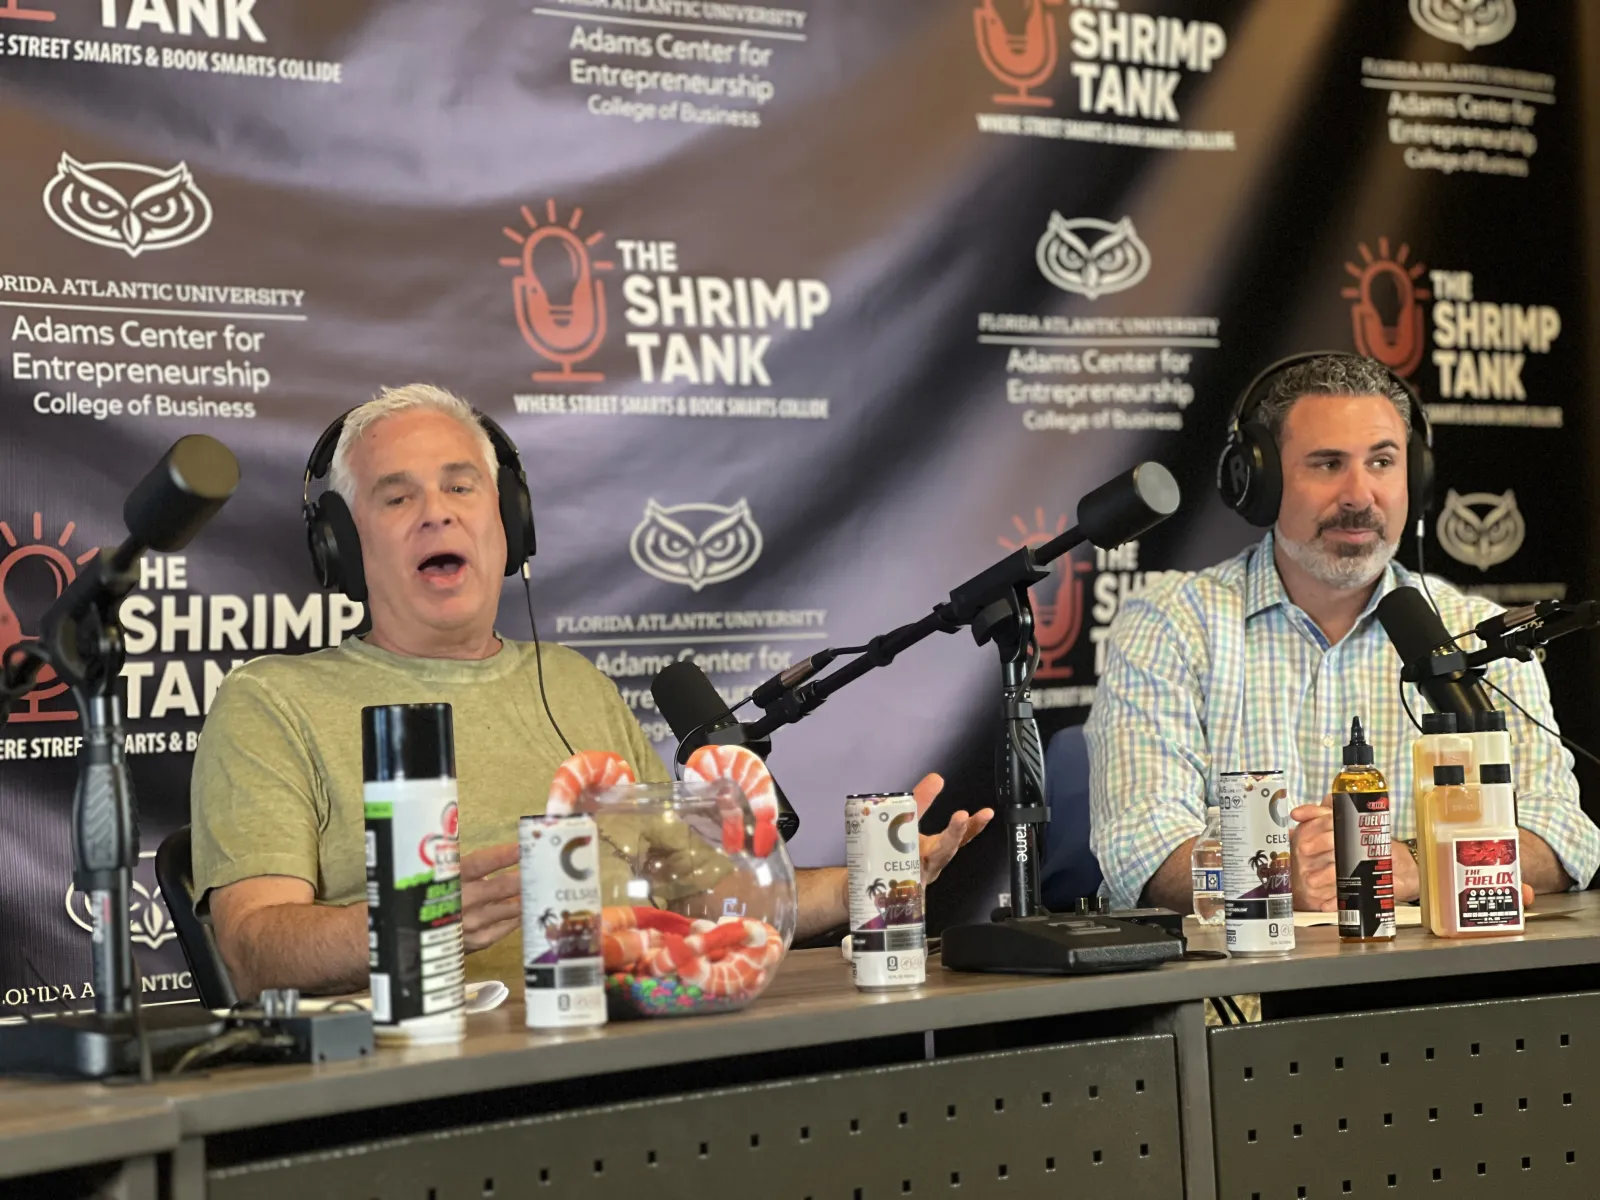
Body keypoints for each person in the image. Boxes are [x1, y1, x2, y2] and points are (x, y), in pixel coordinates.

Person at [191, 384, 992, 999]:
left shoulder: (573, 687)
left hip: (624, 1054)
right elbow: (251, 951)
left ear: (509, 522)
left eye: (463, 487)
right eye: (396, 498)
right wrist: (411, 927)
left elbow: (702, 898)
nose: (436, 514)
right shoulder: (273, 704)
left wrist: (869, 880)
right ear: (339, 542)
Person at [1086, 353, 1599, 914]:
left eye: (1382, 462)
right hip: (1237, 993)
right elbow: (1140, 852)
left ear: (1415, 477)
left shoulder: (1471, 635)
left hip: (1431, 984)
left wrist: (1414, 860)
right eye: (1327, 464)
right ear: (1260, 482)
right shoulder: (1171, 626)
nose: (1359, 496)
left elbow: (1564, 838)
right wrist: (1277, 876)